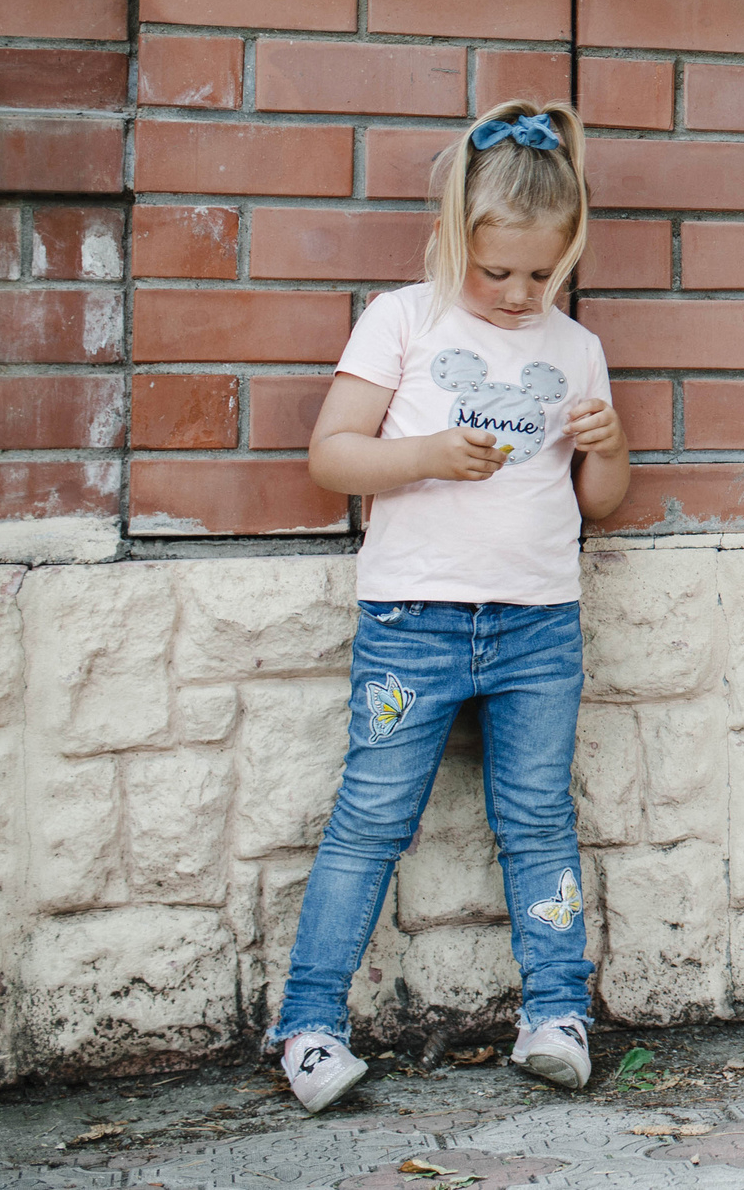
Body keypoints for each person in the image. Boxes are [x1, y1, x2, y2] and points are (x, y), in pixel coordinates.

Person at [268, 101, 630, 1112]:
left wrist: (609, 447)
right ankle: (308, 1023)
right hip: (412, 626)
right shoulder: (404, 319)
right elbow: (331, 456)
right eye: (497, 270)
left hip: (537, 626)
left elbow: (599, 501)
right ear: (451, 234)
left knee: (539, 821)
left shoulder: (576, 347)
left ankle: (557, 1014)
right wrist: (425, 454)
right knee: (370, 819)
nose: (518, 294)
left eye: (541, 275)